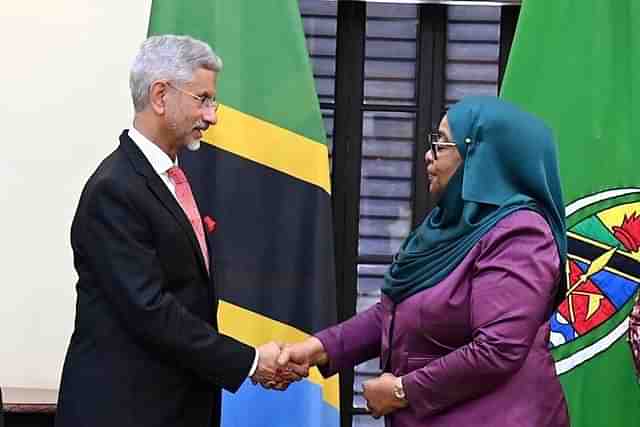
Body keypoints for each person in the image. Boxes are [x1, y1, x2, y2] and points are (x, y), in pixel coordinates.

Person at [55, 35, 301, 427]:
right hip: (127, 412)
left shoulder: (173, 179)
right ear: (160, 96)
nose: (212, 116)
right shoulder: (115, 189)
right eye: (203, 99)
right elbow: (151, 312)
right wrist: (251, 361)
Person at [279, 96, 570, 426]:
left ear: (480, 157)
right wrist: (316, 349)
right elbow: (399, 311)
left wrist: (403, 391)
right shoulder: (449, 225)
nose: (428, 157)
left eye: (442, 144)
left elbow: (498, 349)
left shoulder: (521, 233)